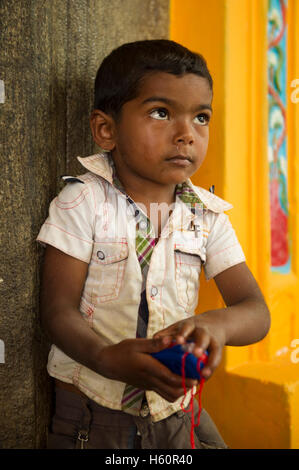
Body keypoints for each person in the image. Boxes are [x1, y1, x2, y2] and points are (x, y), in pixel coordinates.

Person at [37, 39, 271, 449]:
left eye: (201, 117)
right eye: (161, 113)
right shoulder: (82, 202)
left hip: (178, 413)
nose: (186, 135)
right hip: (93, 419)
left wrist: (214, 325)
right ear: (106, 129)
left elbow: (256, 311)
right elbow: (57, 311)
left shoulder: (207, 216)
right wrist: (107, 358)